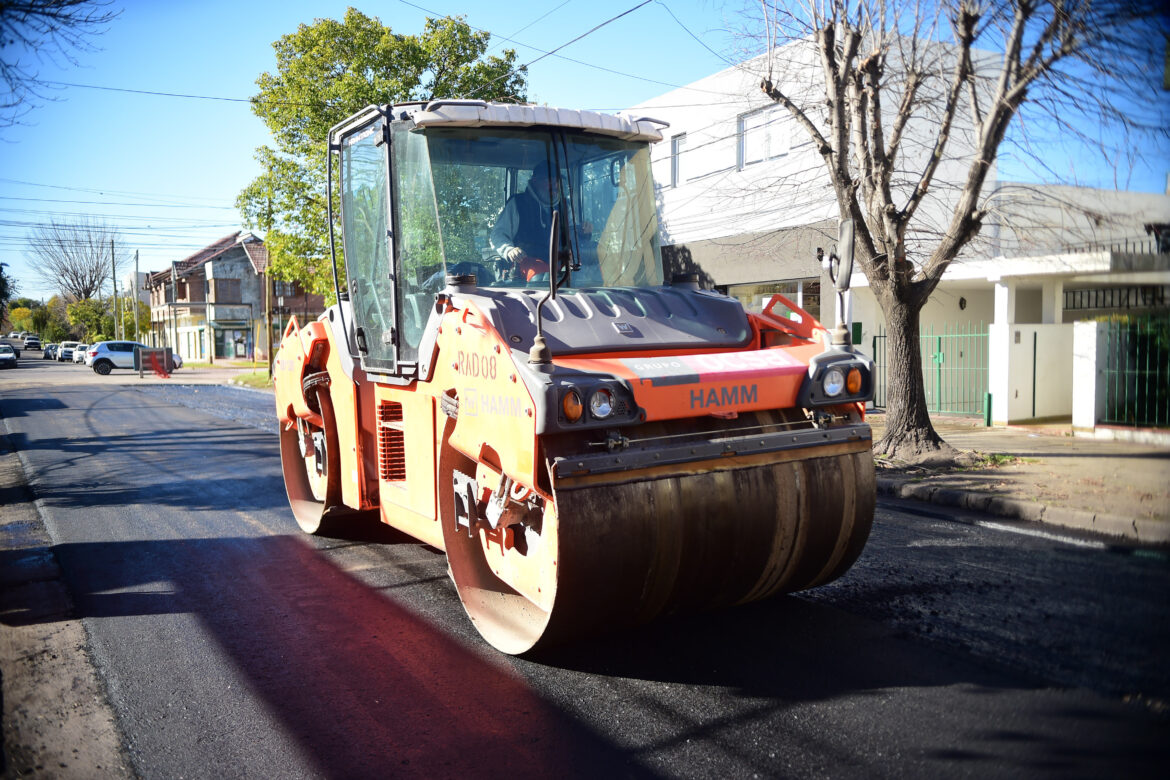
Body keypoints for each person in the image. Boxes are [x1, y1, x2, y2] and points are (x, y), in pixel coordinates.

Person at [490, 160, 559, 281]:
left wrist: (583, 233)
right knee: (541, 279)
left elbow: (571, 237)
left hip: (559, 261)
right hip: (527, 261)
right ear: (535, 181)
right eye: (549, 181)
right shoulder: (518, 204)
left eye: (556, 181)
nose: (554, 185)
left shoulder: (564, 206)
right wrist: (509, 249)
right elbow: (497, 234)